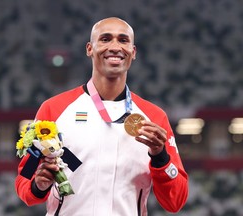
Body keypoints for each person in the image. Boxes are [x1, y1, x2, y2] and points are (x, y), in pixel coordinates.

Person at [15, 17, 188, 216]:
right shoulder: (53, 110)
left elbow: (175, 201)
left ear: (133, 52)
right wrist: (38, 185)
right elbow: (24, 181)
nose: (115, 46)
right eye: (105, 39)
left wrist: (160, 157)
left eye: (123, 40)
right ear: (89, 48)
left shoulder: (154, 118)